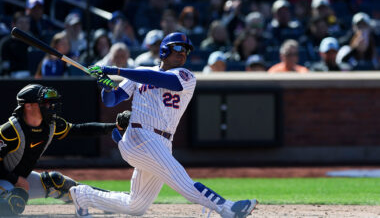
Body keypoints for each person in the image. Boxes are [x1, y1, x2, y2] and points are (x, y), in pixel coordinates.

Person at [69, 32, 258, 218]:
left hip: (163, 143)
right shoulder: (141, 73)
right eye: (177, 47)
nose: (182, 52)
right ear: (164, 51)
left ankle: (83, 196)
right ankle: (227, 208)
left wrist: (115, 71)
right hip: (140, 137)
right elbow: (112, 100)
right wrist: (106, 85)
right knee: (182, 180)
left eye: (186, 50)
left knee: (136, 206)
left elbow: (160, 79)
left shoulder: (186, 76)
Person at [0, 83, 130, 216]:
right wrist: (15, 179)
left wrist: (115, 126)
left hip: (18, 181)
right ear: (28, 106)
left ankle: (113, 201)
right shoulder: (10, 130)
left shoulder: (51, 125)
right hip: (7, 180)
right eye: (44, 103)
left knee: (56, 182)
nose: (50, 106)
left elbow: (80, 129)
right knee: (14, 201)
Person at [0, 11, 31, 78]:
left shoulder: (33, 42)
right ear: (13, 24)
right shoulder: (6, 43)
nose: (24, 26)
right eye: (21, 23)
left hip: (31, 77)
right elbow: (5, 67)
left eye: (26, 23)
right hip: (12, 78)